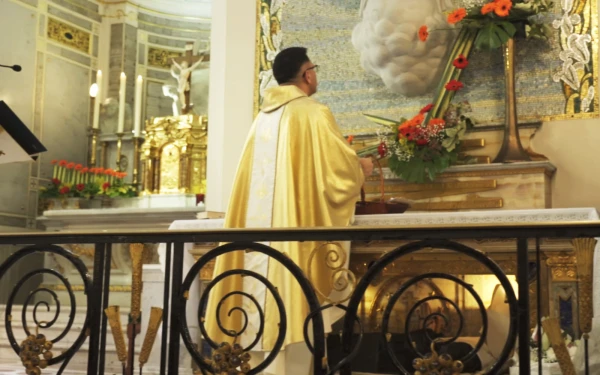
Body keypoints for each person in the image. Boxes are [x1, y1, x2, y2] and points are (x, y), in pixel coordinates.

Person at [204, 47, 373, 375]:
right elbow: (337, 176)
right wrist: (361, 166)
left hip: (260, 244)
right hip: (292, 245)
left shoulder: (262, 118)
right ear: (307, 74)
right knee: (295, 308)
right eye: (315, 69)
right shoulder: (313, 112)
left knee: (259, 313)